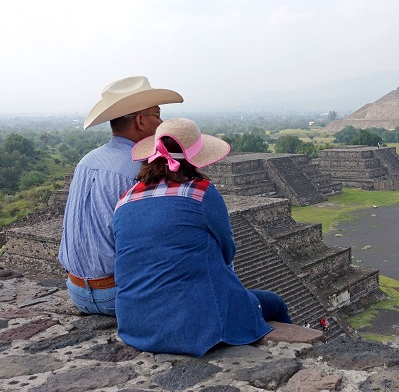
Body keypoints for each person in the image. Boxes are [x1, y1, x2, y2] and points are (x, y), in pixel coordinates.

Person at [113, 118, 291, 357]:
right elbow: (227, 250)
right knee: (275, 303)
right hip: (193, 323)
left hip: (136, 324)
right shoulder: (201, 192)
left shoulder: (124, 200)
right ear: (195, 158)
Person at [58, 76, 183, 315]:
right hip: (117, 295)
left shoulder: (87, 161)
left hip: (76, 291)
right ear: (140, 121)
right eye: (156, 114)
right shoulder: (142, 169)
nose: (161, 121)